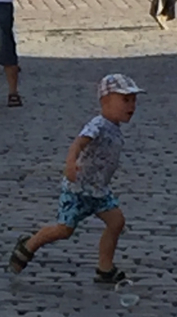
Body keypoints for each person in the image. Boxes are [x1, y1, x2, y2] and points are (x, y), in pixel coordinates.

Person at [9, 73, 143, 284]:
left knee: (116, 222)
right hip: (78, 189)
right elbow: (78, 143)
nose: (131, 105)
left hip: (99, 190)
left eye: (133, 100)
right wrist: (70, 163)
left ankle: (105, 267)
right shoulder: (97, 125)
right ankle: (29, 245)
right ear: (105, 101)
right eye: (125, 100)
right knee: (64, 230)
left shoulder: (114, 128)